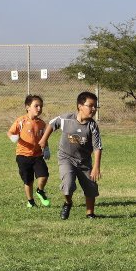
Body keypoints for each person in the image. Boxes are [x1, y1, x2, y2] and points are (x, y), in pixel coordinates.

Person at [39, 91, 103, 220]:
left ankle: (90, 213)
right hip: (66, 158)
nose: (93, 109)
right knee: (68, 184)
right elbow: (52, 124)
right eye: (90, 106)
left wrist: (96, 167)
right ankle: (68, 203)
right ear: (80, 106)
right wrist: (44, 139)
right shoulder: (67, 119)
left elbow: (97, 147)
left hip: (84, 161)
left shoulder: (92, 126)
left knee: (90, 187)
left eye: (95, 106)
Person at [8, 94, 51, 209]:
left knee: (44, 175)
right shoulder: (21, 121)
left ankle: (40, 190)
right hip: (23, 156)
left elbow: (44, 138)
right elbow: (10, 132)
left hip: (37, 155)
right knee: (28, 181)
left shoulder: (42, 123)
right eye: (36, 106)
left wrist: (46, 149)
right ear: (27, 107)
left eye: (41, 106)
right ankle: (31, 201)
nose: (39, 108)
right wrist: (13, 137)